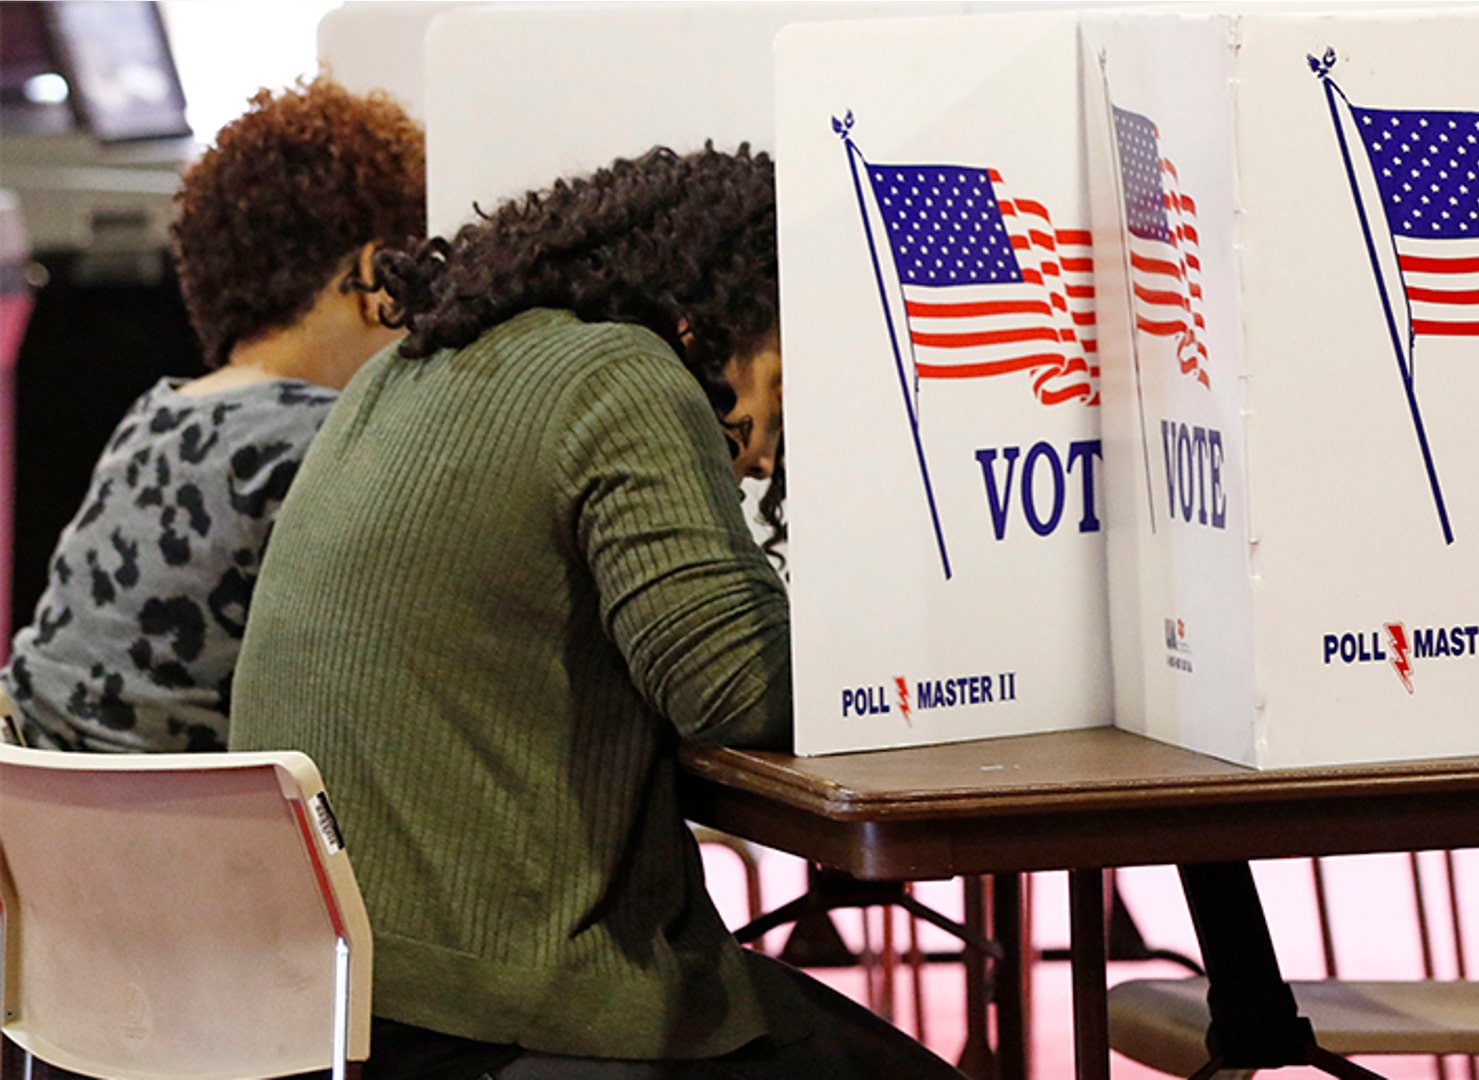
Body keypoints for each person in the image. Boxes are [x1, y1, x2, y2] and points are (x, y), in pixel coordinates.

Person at [226, 145, 960, 1079]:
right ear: (751, 307)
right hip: (501, 1010)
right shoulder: (621, 377)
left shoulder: (406, 369)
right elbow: (737, 690)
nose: (767, 459)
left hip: (331, 1001)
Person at [0, 77, 425, 753]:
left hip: (37, 821)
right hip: (186, 838)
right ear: (376, 274)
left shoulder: (155, 414)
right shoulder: (329, 446)